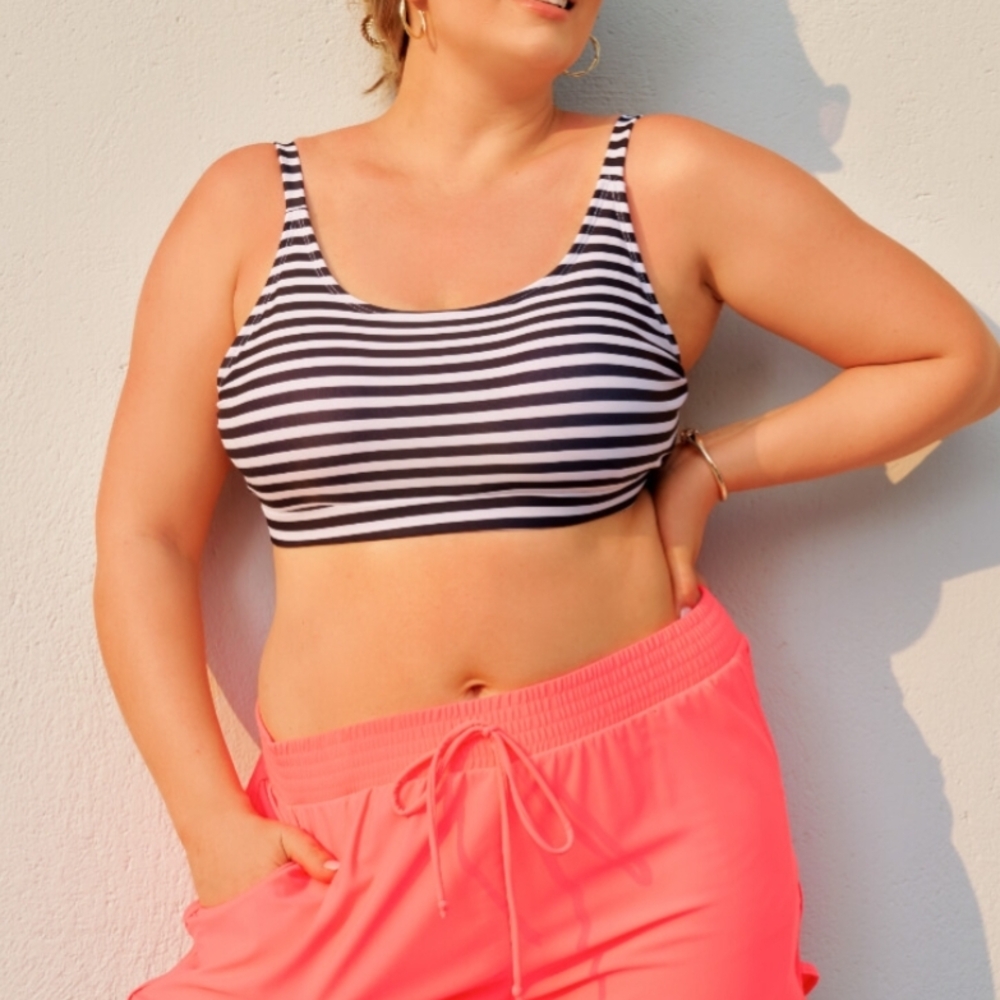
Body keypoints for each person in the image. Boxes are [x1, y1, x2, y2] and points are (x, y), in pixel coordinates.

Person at [94, 1, 1000, 998]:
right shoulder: (246, 206)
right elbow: (145, 535)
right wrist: (206, 821)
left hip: (653, 831)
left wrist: (708, 467)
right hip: (341, 846)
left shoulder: (667, 180)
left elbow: (951, 357)